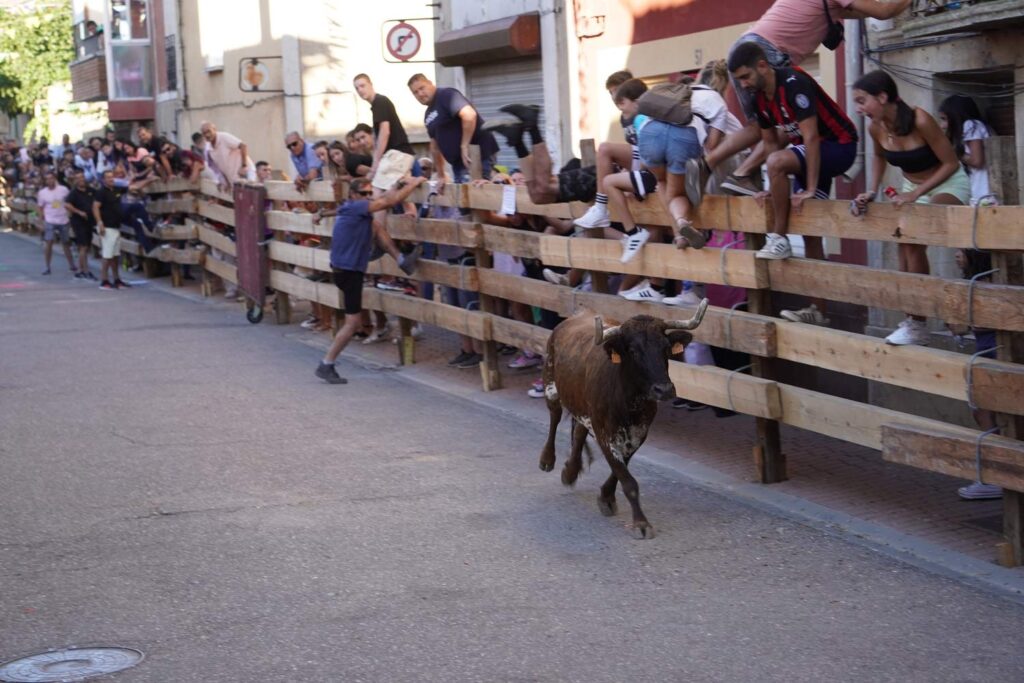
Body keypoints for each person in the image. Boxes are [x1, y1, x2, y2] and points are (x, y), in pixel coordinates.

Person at [719, 42, 858, 325]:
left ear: (762, 66)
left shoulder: (794, 82)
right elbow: (770, 142)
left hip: (839, 146)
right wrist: (774, 186)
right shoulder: (759, 97)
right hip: (812, 155)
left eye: (745, 77)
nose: (743, 85)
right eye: (739, 80)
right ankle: (817, 310)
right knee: (809, 230)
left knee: (780, 164)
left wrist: (809, 186)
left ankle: (779, 237)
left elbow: (810, 138)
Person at [851, 70, 967, 346]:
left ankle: (926, 318)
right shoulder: (875, 127)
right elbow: (878, 157)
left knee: (916, 229)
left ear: (882, 96)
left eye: (862, 100)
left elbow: (950, 163)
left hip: (947, 184)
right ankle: (917, 322)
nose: (858, 108)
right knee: (906, 245)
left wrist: (917, 193)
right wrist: (872, 190)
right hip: (911, 191)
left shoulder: (920, 119)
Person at [314, 176, 427, 384]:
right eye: (364, 194)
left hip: (343, 269)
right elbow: (389, 202)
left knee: (375, 225)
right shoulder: (358, 208)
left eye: (369, 194)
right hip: (350, 272)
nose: (368, 197)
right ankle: (327, 363)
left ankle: (400, 259)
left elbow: (383, 197)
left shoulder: (350, 207)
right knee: (352, 323)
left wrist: (395, 186)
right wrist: (415, 182)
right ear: (354, 195)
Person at [949, 248, 1003, 500]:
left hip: (993, 354)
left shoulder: (985, 283)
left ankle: (996, 474)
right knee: (982, 410)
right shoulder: (973, 283)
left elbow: (976, 323)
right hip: (985, 353)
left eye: (961, 251)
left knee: (984, 411)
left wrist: (960, 319)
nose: (956, 255)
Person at [408, 73, 498, 191]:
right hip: (458, 164)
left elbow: (469, 115)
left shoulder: (446, 95)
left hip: (478, 155)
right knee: (464, 205)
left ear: (430, 83)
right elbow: (435, 147)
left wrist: (464, 146)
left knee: (482, 198)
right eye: (415, 92)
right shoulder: (428, 115)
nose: (420, 94)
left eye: (422, 88)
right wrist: (441, 175)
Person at [353, 74, 416, 179]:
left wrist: (376, 162)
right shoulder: (376, 105)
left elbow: (385, 132)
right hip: (396, 155)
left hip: (397, 154)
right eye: (357, 88)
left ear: (371, 84)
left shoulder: (379, 102)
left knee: (378, 190)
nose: (360, 90)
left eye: (362, 86)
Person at [938, 95, 996, 206]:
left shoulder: (971, 125)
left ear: (955, 117)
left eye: (944, 119)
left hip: (984, 191)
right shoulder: (977, 127)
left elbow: (976, 161)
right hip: (980, 191)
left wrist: (953, 151)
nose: (942, 125)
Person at [92, 170, 130, 290]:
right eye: (108, 177)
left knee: (115, 255)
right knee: (107, 255)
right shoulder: (101, 192)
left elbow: (131, 186)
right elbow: (95, 207)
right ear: (103, 180)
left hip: (115, 226)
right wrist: (100, 223)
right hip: (107, 226)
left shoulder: (116, 190)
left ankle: (117, 279)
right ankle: (104, 280)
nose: (111, 179)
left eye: (112, 177)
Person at [36, 171, 76, 276]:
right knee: (49, 242)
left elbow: (69, 202)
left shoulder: (63, 190)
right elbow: (40, 208)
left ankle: (72, 264)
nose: (50, 181)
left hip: (63, 219)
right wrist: (41, 222)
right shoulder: (42, 193)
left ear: (55, 179)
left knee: (66, 242)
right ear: (45, 181)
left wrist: (70, 214)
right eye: (47, 179)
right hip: (50, 219)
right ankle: (47, 266)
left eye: (51, 178)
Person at [200, 121, 255, 190]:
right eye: (204, 133)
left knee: (251, 195)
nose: (207, 135)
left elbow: (243, 146)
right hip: (233, 178)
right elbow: (216, 167)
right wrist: (224, 181)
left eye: (209, 131)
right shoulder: (208, 148)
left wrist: (244, 166)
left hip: (245, 173)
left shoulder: (224, 137)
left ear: (214, 130)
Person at [65, 171, 98, 280]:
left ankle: (82, 268)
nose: (81, 180)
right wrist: (79, 212)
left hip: (89, 221)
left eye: (82, 177)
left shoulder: (91, 191)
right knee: (83, 246)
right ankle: (83, 270)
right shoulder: (74, 193)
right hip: (78, 222)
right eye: (78, 178)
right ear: (75, 180)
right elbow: (67, 204)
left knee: (86, 246)